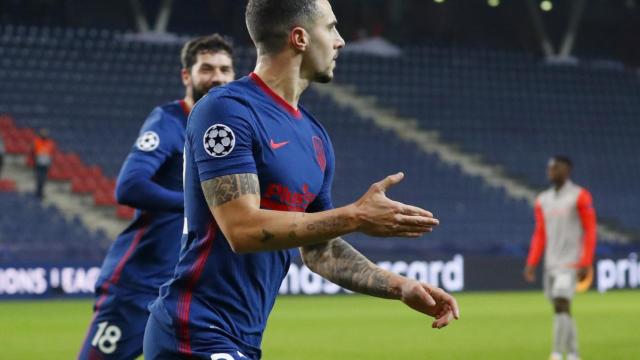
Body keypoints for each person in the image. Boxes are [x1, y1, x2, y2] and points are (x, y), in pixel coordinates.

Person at [143, 1, 459, 359]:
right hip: (192, 329)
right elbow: (241, 229)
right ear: (300, 38)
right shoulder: (227, 110)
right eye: (331, 28)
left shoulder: (315, 137)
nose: (340, 41)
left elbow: (319, 249)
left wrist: (400, 286)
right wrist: (356, 216)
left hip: (241, 337)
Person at [77, 34, 235, 360]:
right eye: (207, 68)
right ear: (186, 75)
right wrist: (193, 202)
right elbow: (129, 186)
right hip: (138, 287)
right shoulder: (168, 121)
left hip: (190, 290)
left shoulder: (226, 132)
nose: (217, 77)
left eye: (224, 69)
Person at [524, 156, 597, 360]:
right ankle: (573, 354)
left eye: (555, 167)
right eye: (549, 167)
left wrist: (586, 261)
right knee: (562, 310)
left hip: (572, 262)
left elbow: (590, 230)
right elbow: (540, 233)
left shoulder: (580, 196)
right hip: (551, 264)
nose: (550, 171)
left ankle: (556, 353)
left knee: (561, 302)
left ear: (567, 170)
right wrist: (532, 262)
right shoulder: (542, 200)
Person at [32, 128, 55, 198]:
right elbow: (34, 152)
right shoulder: (37, 141)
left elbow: (51, 153)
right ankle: (38, 193)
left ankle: (41, 192)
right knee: (39, 178)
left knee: (44, 179)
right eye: (43, 133)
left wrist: (50, 161)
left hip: (46, 163)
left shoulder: (50, 142)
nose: (44, 134)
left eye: (45, 133)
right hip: (38, 163)